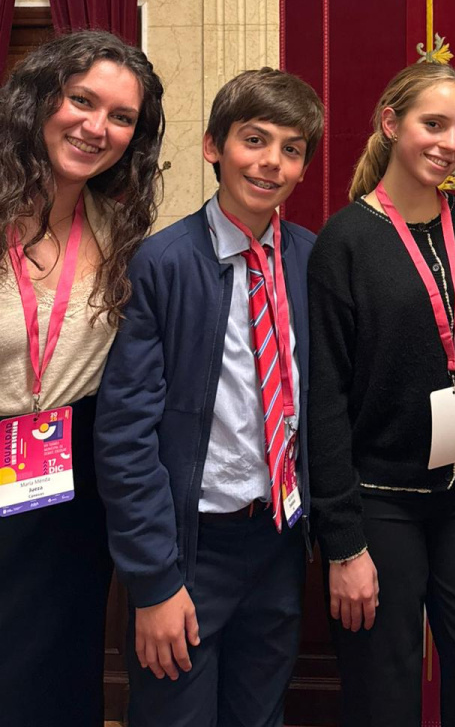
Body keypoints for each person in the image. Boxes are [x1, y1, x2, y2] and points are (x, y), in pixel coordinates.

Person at [95, 68, 323, 727]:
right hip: (190, 550)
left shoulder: (311, 260)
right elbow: (125, 434)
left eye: (290, 149)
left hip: (277, 541)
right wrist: (154, 581)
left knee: (260, 715)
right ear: (213, 146)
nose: (271, 162)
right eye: (255, 140)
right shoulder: (162, 263)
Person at [307, 62, 455, 727]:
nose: (449, 144)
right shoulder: (344, 241)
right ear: (390, 123)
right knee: (383, 698)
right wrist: (343, 543)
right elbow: (325, 399)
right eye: (434, 124)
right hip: (380, 503)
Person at [0, 30, 165, 727]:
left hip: (70, 482)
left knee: (56, 670)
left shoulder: (120, 228)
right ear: (41, 98)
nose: (97, 127)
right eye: (81, 101)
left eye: (121, 117)